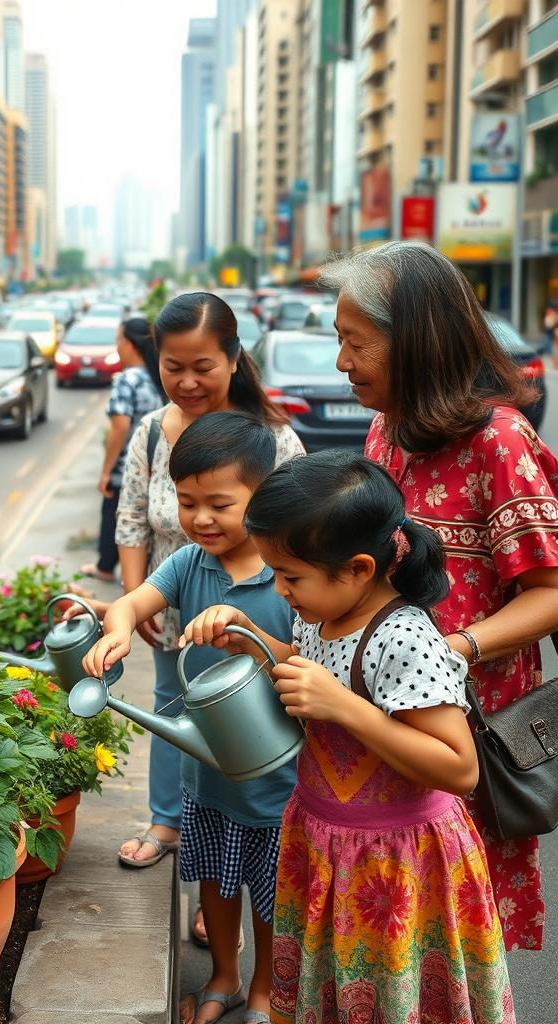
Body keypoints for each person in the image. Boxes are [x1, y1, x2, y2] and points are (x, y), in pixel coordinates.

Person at [196, 451, 515, 1023]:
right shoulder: (321, 614)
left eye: (291, 577)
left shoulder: (406, 636)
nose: (281, 589)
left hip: (397, 860)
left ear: (361, 568)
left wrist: (344, 707)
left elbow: (459, 766)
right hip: (326, 842)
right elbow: (318, 670)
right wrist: (256, 643)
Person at [325, 239, 558, 951]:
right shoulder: (385, 431)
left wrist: (453, 649)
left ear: (416, 343)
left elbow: (549, 594)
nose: (341, 364)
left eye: (354, 345)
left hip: (471, 734)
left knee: (459, 934)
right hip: (386, 721)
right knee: (396, 922)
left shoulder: (500, 443)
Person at [84, 412, 296, 1024]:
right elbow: (130, 602)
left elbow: (306, 658)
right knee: (214, 877)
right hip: (206, 766)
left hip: (275, 770)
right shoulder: (187, 566)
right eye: (186, 502)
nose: (200, 518)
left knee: (267, 885)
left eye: (220, 504)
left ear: (263, 495)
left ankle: (265, 985)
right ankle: (224, 977)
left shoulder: (286, 574)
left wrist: (248, 634)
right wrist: (118, 631)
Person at [114, 292, 303, 946]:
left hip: (258, 604)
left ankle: (243, 878)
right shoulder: (148, 429)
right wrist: (135, 595)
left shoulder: (271, 436)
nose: (187, 382)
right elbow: (133, 514)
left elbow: (303, 529)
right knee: (175, 720)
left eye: (203, 366)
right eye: (173, 367)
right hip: (178, 595)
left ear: (233, 359)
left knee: (251, 738)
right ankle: (172, 827)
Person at [81, 316, 164, 583]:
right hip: (159, 462)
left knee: (118, 515)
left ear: (130, 344)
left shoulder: (127, 380)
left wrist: (106, 471)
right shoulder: (159, 374)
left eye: (118, 340)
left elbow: (119, 427)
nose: (116, 346)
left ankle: (107, 568)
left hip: (129, 465)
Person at [545, 299, 558, 371]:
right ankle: (554, 365)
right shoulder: (550, 317)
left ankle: (555, 365)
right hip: (550, 337)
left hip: (553, 337)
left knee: (554, 351)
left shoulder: (554, 316)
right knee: (551, 351)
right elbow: (548, 326)